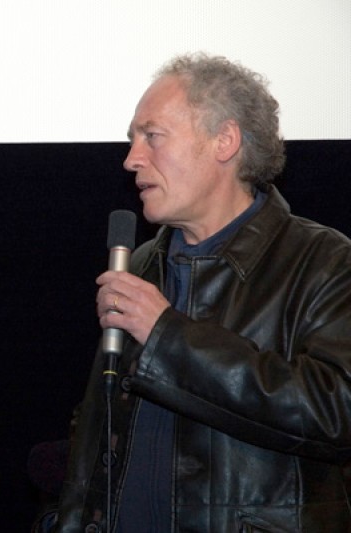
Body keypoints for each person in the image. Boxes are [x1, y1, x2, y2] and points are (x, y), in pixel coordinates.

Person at [53, 53, 351, 532]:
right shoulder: (142, 263)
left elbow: (336, 413)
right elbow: (96, 430)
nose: (131, 159)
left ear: (224, 141)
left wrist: (168, 336)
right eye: (132, 139)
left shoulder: (324, 260)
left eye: (152, 136)